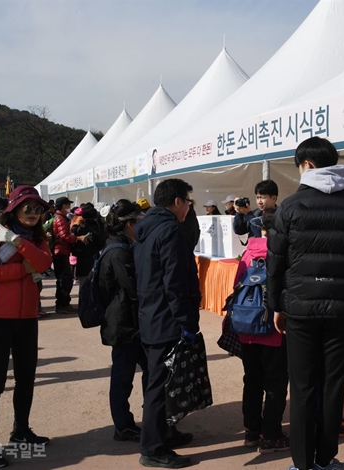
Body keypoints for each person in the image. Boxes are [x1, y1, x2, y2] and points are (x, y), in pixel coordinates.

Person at [267, 136, 344, 470]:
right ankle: (325, 459)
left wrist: (276, 305)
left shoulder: (288, 207)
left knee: (302, 387)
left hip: (300, 311)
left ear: (307, 165)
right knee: (333, 386)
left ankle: (302, 465)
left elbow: (276, 263)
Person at [0, 186, 53, 469]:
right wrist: (23, 269)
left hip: (27, 318)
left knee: (26, 378)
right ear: (14, 209)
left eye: (37, 209)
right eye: (27, 208)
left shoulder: (37, 237)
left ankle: (21, 431)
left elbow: (44, 262)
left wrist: (19, 244)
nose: (33, 214)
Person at [133, 179, 201, 469]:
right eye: (188, 201)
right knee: (159, 387)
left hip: (151, 316)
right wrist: (187, 322)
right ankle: (152, 448)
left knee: (156, 382)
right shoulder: (171, 230)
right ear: (177, 201)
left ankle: (163, 435)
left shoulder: (145, 228)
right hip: (166, 319)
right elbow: (175, 282)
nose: (188, 207)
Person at [235, 208, 290, 455]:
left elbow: (236, 288)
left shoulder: (247, 253)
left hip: (247, 328)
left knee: (252, 380)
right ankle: (270, 436)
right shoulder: (281, 252)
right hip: (274, 331)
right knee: (276, 383)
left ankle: (251, 432)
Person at [98, 200, 147, 443]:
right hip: (124, 323)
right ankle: (123, 425)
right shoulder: (119, 252)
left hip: (126, 320)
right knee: (122, 377)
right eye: (139, 221)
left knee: (142, 370)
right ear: (129, 224)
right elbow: (134, 289)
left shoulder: (120, 245)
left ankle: (145, 419)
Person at [52, 196, 88, 314]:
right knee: (64, 279)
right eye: (68, 205)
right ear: (64, 206)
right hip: (61, 252)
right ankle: (62, 304)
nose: (69, 207)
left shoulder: (59, 217)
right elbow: (64, 236)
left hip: (61, 251)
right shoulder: (61, 219)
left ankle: (63, 303)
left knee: (64, 279)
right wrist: (78, 238)